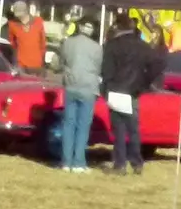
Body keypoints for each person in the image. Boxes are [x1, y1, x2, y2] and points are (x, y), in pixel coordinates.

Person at [100, 10, 160, 175]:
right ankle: (136, 162)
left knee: (118, 130)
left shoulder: (112, 46)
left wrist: (105, 90)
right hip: (133, 91)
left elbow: (106, 71)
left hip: (115, 90)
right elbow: (157, 65)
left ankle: (120, 165)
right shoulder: (142, 46)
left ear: (118, 26)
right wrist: (144, 82)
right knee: (133, 130)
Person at [57, 16, 101, 172]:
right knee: (83, 126)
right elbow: (98, 67)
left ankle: (66, 161)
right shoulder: (97, 47)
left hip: (71, 85)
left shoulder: (68, 43)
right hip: (88, 88)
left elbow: (60, 63)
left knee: (69, 124)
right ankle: (78, 162)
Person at [3, 1, 46, 75]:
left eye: (20, 14)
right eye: (17, 15)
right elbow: (11, 43)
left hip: (37, 65)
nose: (18, 17)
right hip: (21, 65)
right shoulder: (12, 24)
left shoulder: (38, 21)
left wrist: (42, 61)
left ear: (26, 11)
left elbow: (43, 43)